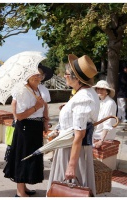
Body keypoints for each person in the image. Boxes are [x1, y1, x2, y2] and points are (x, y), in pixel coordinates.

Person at [47, 54, 100, 196]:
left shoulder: (83, 98)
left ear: (77, 79)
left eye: (66, 74)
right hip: (71, 148)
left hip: (71, 150)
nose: (64, 76)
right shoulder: (85, 94)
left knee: (69, 189)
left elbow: (79, 135)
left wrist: (71, 166)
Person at [3, 70, 46, 197]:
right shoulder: (22, 91)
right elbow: (19, 116)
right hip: (26, 128)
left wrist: (43, 120)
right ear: (28, 76)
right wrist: (36, 107)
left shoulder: (37, 90)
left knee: (30, 157)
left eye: (40, 75)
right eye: (35, 75)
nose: (38, 77)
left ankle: (24, 187)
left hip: (35, 127)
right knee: (23, 157)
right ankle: (20, 192)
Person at [92, 80, 117, 149]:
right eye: (98, 89)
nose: (99, 91)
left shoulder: (110, 103)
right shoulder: (98, 102)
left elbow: (107, 123)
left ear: (107, 91)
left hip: (104, 136)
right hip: (96, 133)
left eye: (102, 89)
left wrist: (101, 141)